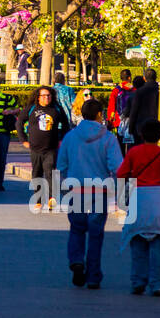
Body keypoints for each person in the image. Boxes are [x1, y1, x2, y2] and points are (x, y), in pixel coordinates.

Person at [57, 98, 123, 289]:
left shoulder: (70, 136)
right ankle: (93, 275)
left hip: (76, 189)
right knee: (95, 233)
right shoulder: (109, 138)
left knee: (77, 228)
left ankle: (77, 260)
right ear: (99, 115)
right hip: (99, 190)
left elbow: (61, 165)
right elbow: (117, 167)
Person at [115, 120, 160, 297]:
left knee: (138, 243)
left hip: (139, 199)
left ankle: (138, 281)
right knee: (158, 245)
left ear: (141, 134)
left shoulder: (133, 153)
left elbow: (121, 174)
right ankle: (157, 284)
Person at [21, 85, 71, 209]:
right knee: (37, 172)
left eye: (48, 95)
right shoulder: (31, 108)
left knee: (50, 171)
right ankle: (38, 199)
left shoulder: (56, 109)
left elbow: (66, 124)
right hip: (35, 148)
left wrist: (62, 140)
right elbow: (19, 122)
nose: (46, 98)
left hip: (51, 147)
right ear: (38, 97)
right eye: (43, 96)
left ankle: (51, 198)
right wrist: (23, 140)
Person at [124, 68, 160, 146]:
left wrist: (131, 128)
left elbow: (134, 111)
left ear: (145, 78)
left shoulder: (139, 92)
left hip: (140, 128)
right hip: (157, 128)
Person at [108, 69, 135, 152]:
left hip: (119, 121)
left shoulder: (116, 90)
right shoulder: (134, 90)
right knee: (131, 145)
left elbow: (112, 106)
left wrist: (110, 121)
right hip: (132, 120)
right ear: (129, 78)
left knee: (120, 146)